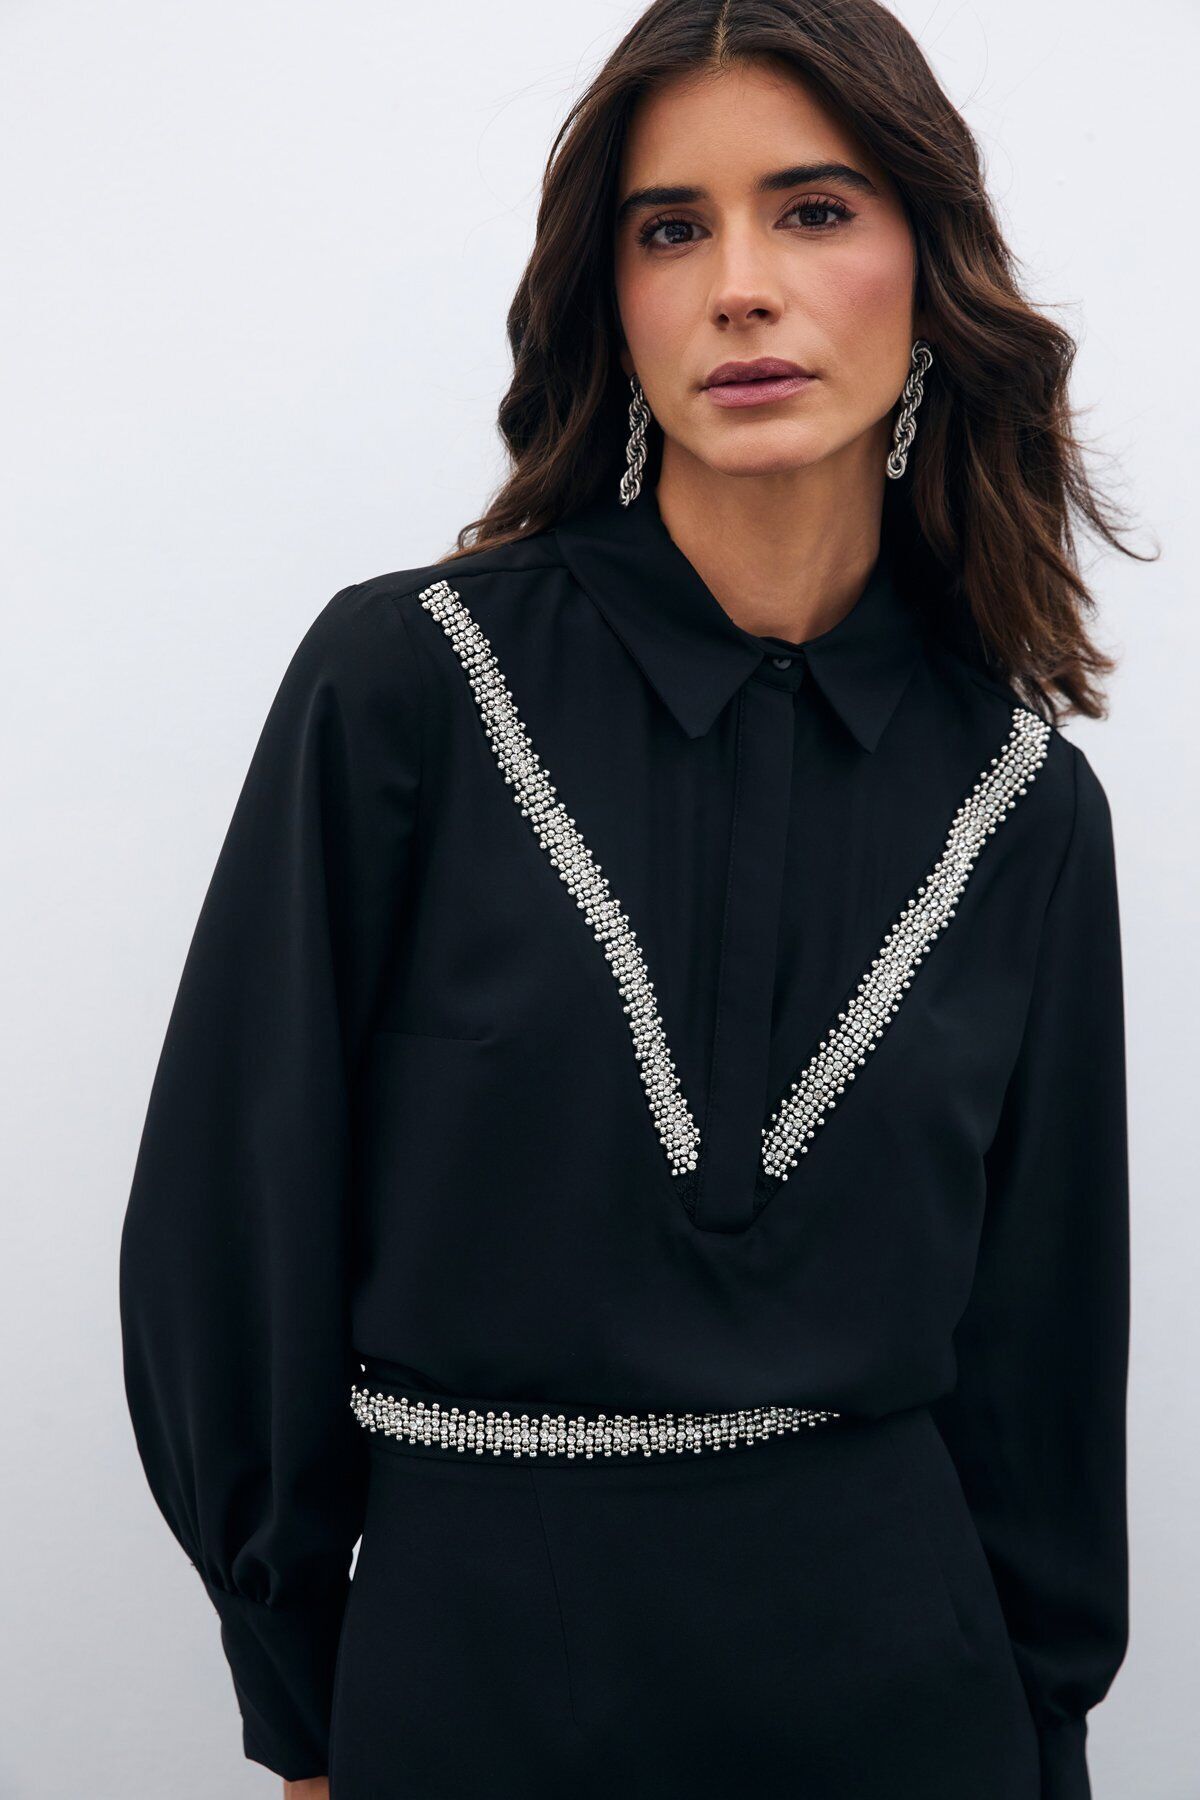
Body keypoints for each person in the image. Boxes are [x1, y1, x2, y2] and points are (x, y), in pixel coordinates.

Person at [119, 2, 1141, 1796]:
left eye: (812, 210)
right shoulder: (408, 687)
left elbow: (1040, 1366)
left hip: (912, 1707)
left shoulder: (1023, 802)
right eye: (673, 228)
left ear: (929, 267)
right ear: (615, 299)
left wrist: (1046, 1732)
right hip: (471, 1686)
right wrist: (299, 1699)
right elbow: (231, 1227)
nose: (741, 285)